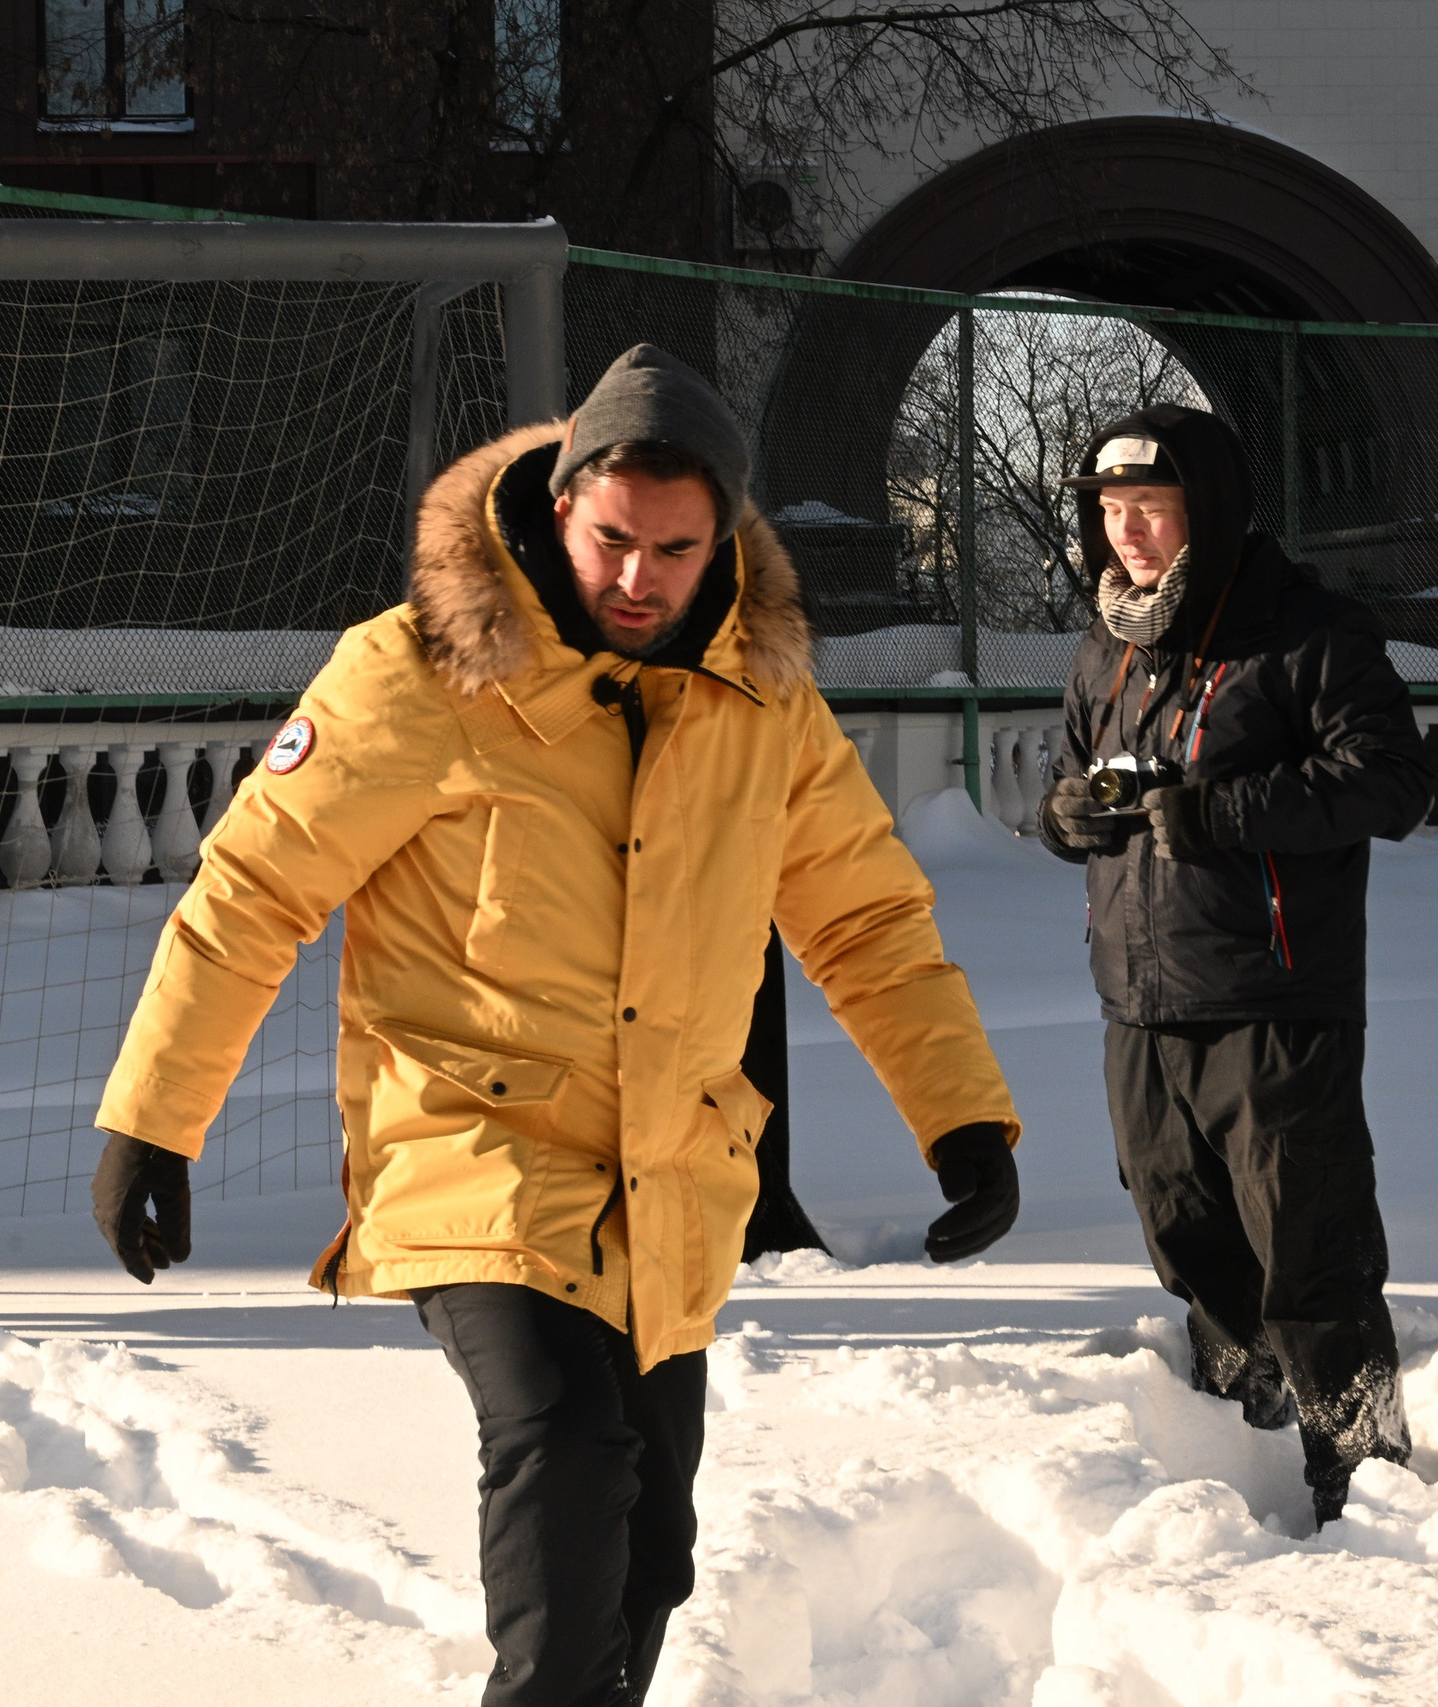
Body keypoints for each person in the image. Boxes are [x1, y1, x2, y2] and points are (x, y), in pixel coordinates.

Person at [92, 344, 1023, 1705]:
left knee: (650, 1555)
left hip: (672, 1168)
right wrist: (152, 1121)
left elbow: (868, 920)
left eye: (676, 548)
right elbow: (250, 895)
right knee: (567, 1442)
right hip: (472, 1139)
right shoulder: (415, 674)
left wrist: (963, 1116)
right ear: (564, 501)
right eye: (613, 540)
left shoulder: (765, 702)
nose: (640, 575)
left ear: (726, 540)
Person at [1038, 402, 1437, 1529]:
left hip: (1274, 994)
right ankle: (1240, 1421)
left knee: (1305, 1245)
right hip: (1140, 1000)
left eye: (1150, 510)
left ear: (1204, 514)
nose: (1128, 535)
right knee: (1184, 1234)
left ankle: (1360, 1472)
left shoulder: (1306, 633)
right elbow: (1081, 785)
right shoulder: (1103, 649)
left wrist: (1225, 812)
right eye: (1110, 512)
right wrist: (1068, 815)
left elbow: (1393, 780)